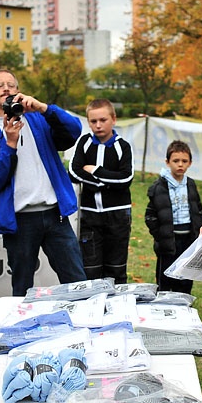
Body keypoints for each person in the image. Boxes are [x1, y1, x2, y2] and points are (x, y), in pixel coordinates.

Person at [0, 69, 86, 296]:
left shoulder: (39, 119)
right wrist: (9, 144)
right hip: (20, 221)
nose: (6, 89)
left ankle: (85, 325)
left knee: (76, 279)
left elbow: (74, 130)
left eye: (11, 85)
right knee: (22, 287)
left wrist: (43, 108)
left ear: (18, 91)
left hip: (55, 215)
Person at [68, 99, 134, 283]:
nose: (98, 125)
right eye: (93, 121)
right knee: (91, 269)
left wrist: (95, 171)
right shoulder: (84, 142)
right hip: (89, 216)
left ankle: (118, 308)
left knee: (116, 269)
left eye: (103, 120)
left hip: (118, 216)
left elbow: (125, 179)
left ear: (113, 119)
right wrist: (103, 183)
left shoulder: (123, 147)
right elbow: (73, 171)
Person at [144, 141, 202, 293]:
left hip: (188, 240)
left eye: (184, 161)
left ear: (190, 163)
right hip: (168, 241)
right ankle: (163, 306)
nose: (180, 165)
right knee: (165, 276)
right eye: (175, 161)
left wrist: (197, 231)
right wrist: (160, 235)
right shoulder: (158, 187)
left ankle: (184, 303)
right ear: (167, 162)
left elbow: (198, 209)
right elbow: (150, 216)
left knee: (185, 275)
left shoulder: (190, 184)